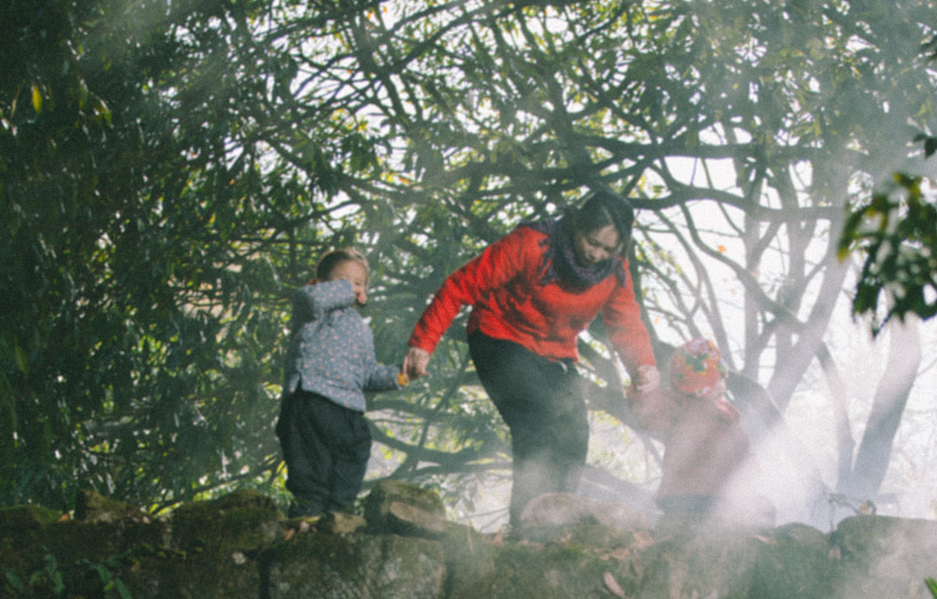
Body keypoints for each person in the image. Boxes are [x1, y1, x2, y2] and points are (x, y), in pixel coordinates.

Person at [402, 189, 659, 534]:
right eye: (591, 241)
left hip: (556, 353)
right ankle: (527, 525)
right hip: (499, 335)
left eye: (607, 249)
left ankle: (558, 524)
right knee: (536, 419)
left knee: (574, 434)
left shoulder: (615, 271)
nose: (595, 254)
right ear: (577, 225)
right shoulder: (532, 244)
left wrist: (643, 365)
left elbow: (625, 321)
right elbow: (461, 285)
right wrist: (423, 342)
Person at [278, 248, 401, 532]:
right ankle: (308, 514)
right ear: (321, 282)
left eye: (359, 282)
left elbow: (369, 373)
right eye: (342, 280)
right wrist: (348, 290)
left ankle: (338, 513)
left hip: (348, 409)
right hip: (309, 398)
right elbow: (311, 297)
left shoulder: (362, 329)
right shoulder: (311, 307)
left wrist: (402, 375)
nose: (351, 287)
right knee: (310, 465)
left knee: (355, 453)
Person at [637, 337, 759, 529]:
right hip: (683, 494)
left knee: (718, 532)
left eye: (722, 377)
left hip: (717, 494)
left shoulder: (729, 412)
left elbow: (742, 448)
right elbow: (650, 416)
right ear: (699, 382)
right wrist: (645, 390)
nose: (723, 384)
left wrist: (750, 472)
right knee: (686, 533)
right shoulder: (678, 403)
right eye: (718, 378)